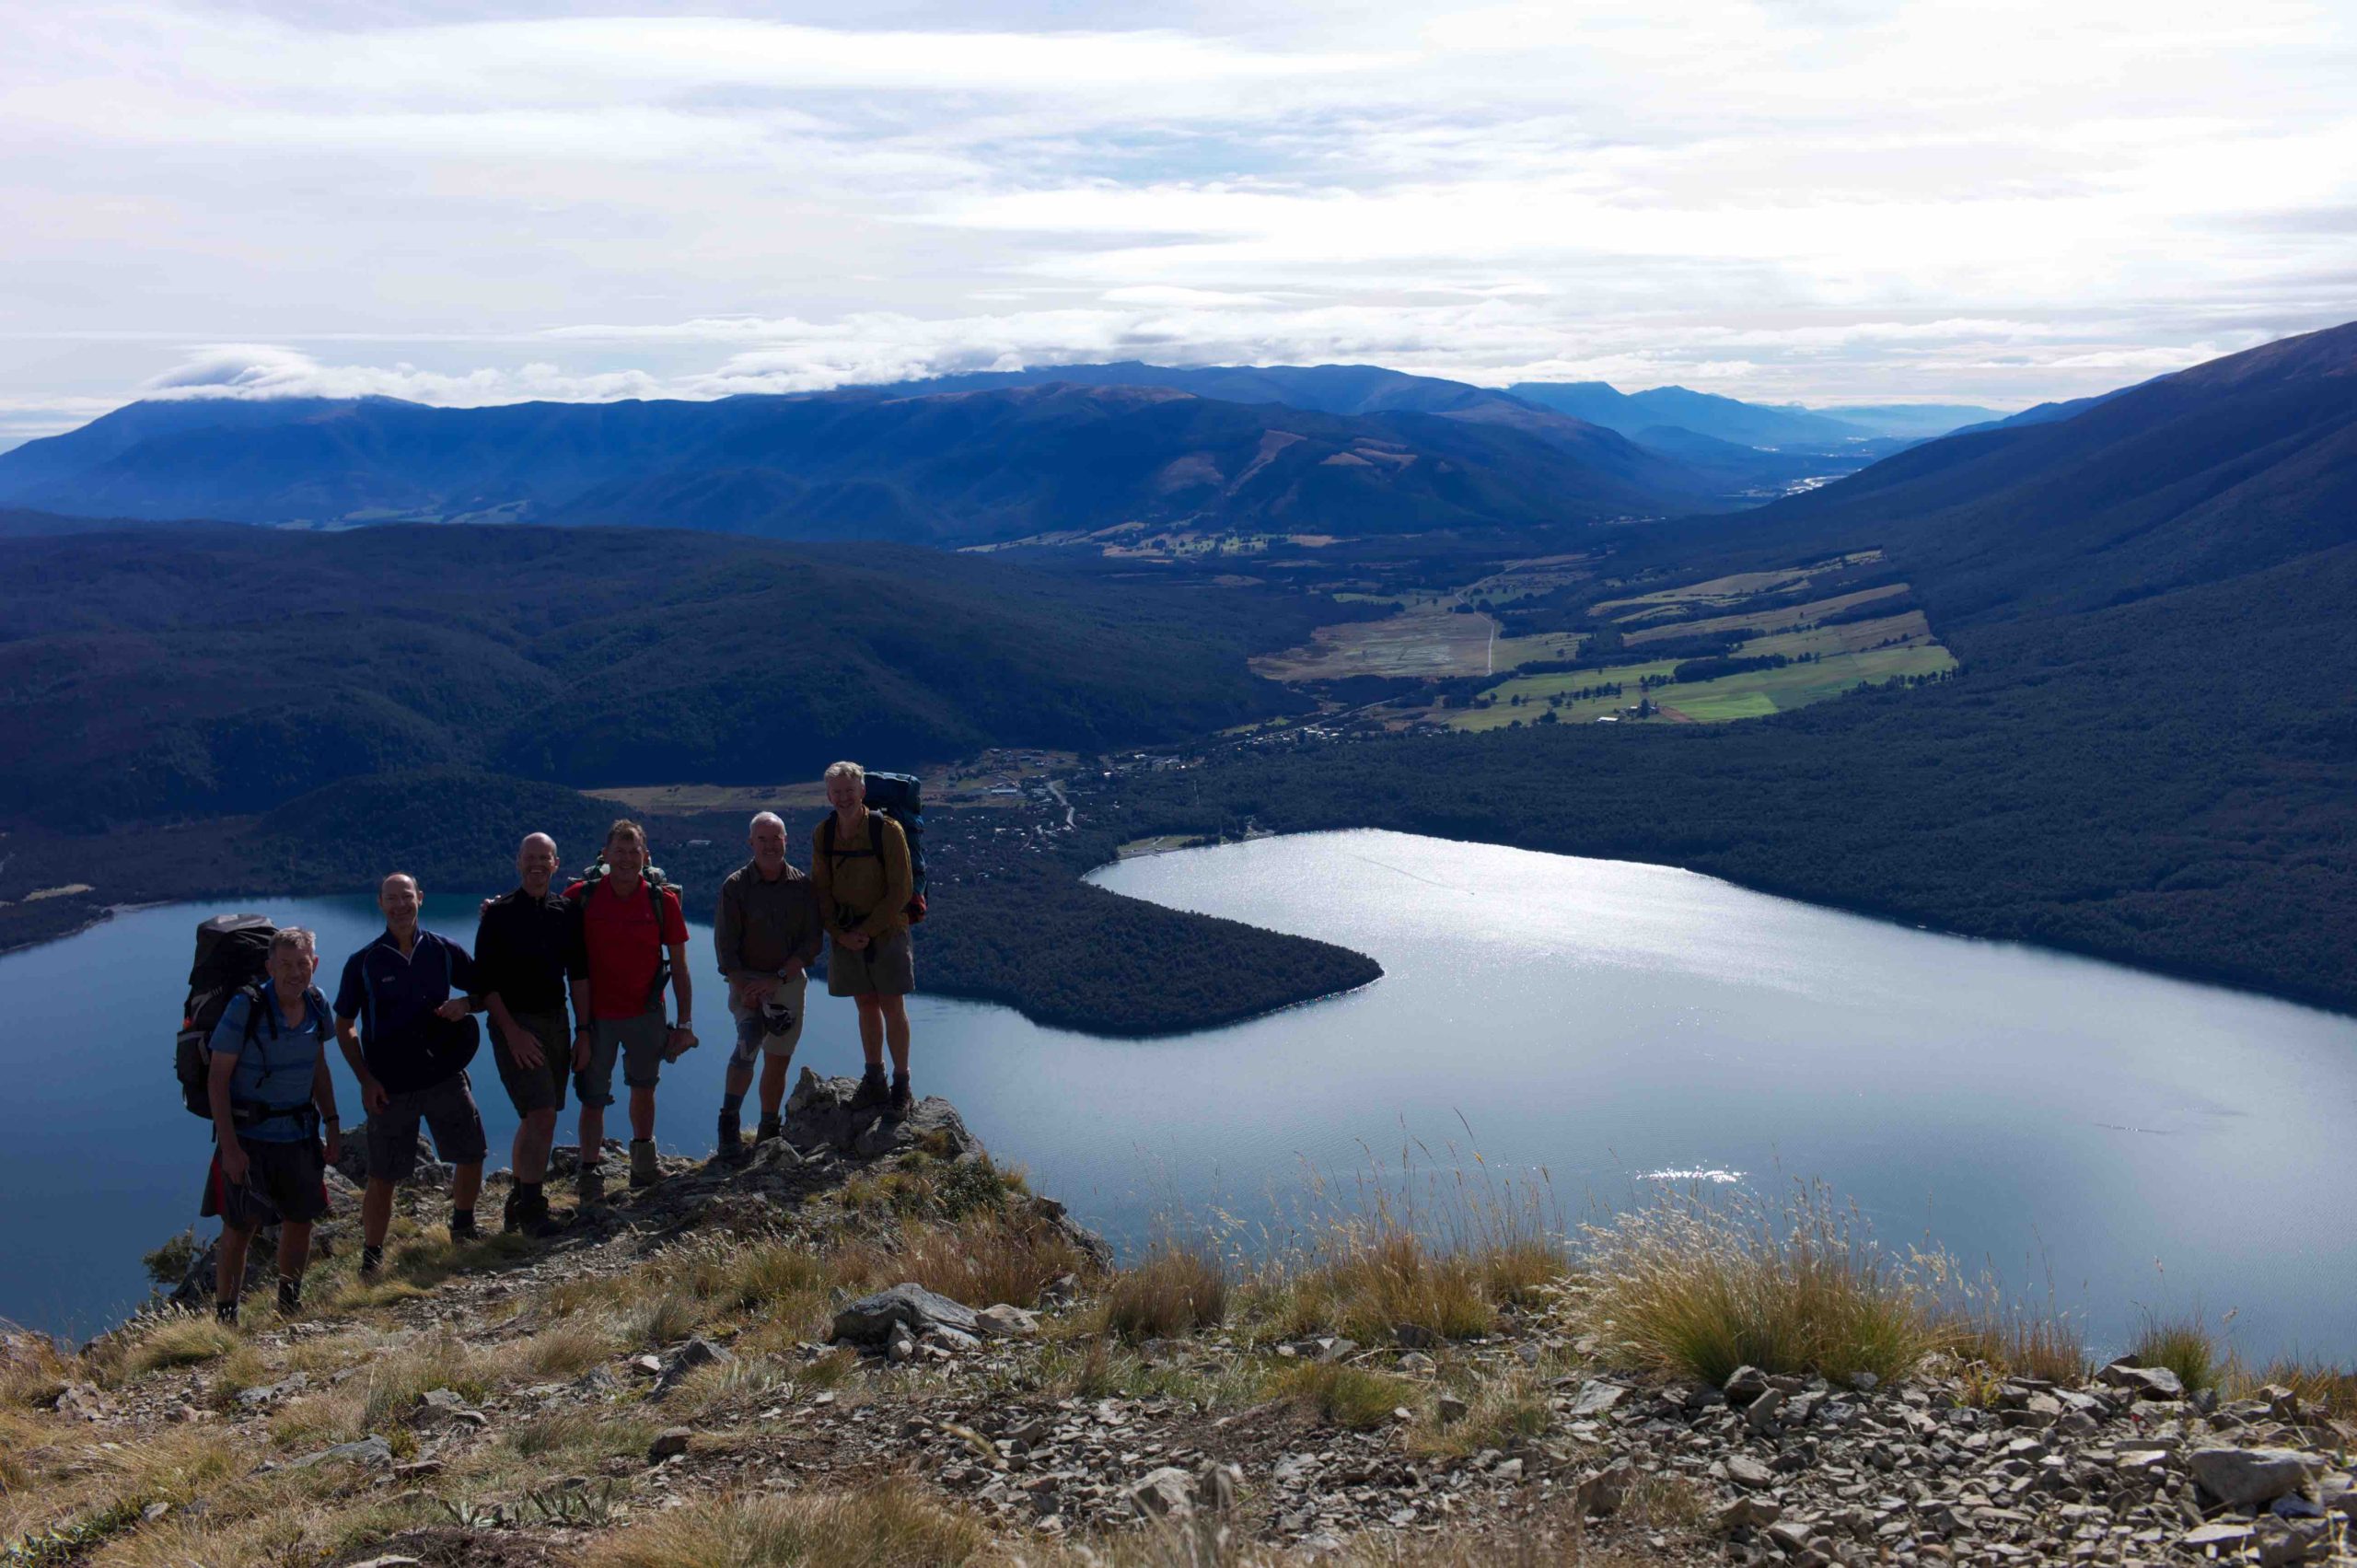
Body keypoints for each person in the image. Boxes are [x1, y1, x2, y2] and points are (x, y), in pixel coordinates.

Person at [334, 872, 489, 1277]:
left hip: (444, 1075)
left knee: (472, 1153)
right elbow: (344, 1024)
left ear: (420, 898)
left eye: (407, 897)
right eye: (392, 899)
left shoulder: (441, 950)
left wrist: (467, 1004)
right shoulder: (364, 962)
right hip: (390, 1087)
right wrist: (366, 1080)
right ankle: (371, 1257)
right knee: (383, 1175)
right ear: (381, 904)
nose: (401, 906)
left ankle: (463, 1227)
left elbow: (486, 988)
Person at [202, 927, 340, 1322]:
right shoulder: (246, 1008)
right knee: (239, 1227)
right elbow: (217, 1079)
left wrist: (331, 1122)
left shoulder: (316, 1002)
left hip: (299, 1134)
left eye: (302, 964)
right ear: (269, 967)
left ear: (314, 964)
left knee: (301, 1221)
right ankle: (227, 1316)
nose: (295, 973)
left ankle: (289, 1305)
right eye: (285, 965)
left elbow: (319, 1067)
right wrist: (230, 1149)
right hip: (249, 1138)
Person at [565, 819, 696, 1194]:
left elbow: (681, 966)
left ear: (645, 856)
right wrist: (494, 911)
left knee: (644, 1088)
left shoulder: (662, 902)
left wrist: (684, 1022)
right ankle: (589, 1176)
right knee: (593, 1099)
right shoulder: (581, 896)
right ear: (605, 855)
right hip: (596, 1019)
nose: (626, 859)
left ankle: (643, 1169)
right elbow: (540, 919)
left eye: (633, 852)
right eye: (619, 852)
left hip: (646, 1013)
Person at [473, 832, 574, 1235]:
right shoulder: (498, 916)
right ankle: (533, 1209)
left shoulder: (565, 911)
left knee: (536, 1117)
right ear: (518, 862)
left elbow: (578, 974)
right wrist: (512, 1033)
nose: (536, 864)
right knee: (542, 1113)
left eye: (544, 857)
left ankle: (519, 1200)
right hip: (515, 1024)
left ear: (555, 863)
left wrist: (582, 1030)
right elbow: (485, 985)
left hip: (556, 1020)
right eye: (529, 857)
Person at [713, 811, 823, 1157]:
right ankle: (729, 1127)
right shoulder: (735, 887)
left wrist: (776, 979)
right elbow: (726, 947)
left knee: (778, 1058)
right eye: (762, 839)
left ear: (786, 841)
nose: (770, 845)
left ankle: (768, 1130)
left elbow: (811, 943)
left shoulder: (802, 886)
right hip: (745, 983)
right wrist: (745, 986)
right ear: (751, 843)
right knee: (746, 1047)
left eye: (776, 838)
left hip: (786, 983)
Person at [811, 761, 917, 1119]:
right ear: (828, 794)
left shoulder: (887, 831)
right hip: (846, 933)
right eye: (837, 792)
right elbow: (821, 890)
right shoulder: (823, 834)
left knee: (892, 1006)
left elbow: (901, 889)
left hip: (886, 931)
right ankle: (875, 1079)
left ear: (863, 792)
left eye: (849, 791)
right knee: (866, 1006)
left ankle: (901, 1085)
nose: (843, 798)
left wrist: (866, 931)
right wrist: (839, 933)